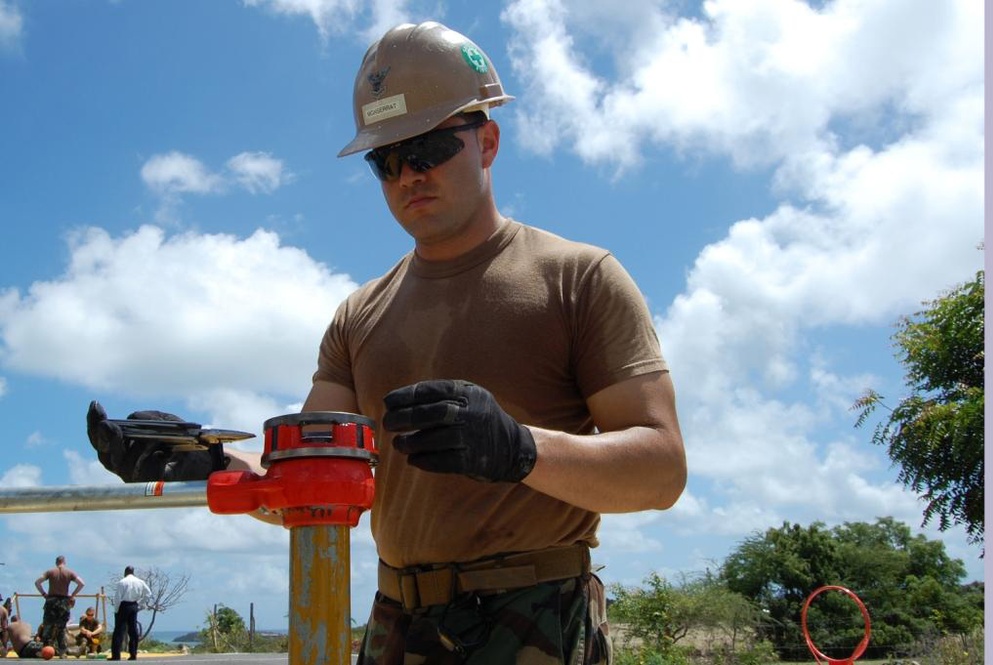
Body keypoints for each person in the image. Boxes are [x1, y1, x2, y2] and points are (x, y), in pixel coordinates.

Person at [86, 20, 687, 664]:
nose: (408, 176)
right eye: (387, 160)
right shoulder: (359, 315)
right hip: (396, 625)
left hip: (533, 617)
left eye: (428, 149)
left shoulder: (578, 277)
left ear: (487, 141)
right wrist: (203, 463)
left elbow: (660, 469)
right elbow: (312, 485)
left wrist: (520, 448)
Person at [34, 554, 84, 657]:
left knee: (48, 626)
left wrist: (44, 594)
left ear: (56, 562)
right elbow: (81, 583)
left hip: (51, 600)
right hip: (64, 602)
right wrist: (72, 595)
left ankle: (45, 649)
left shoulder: (50, 572)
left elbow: (37, 582)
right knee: (62, 628)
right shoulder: (69, 572)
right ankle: (62, 651)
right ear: (64, 562)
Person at [110, 566, 151, 661]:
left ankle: (116, 655)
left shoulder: (122, 582)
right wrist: (139, 603)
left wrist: (116, 610)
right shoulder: (140, 582)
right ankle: (133, 654)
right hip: (134, 606)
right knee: (133, 631)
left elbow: (117, 598)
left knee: (119, 631)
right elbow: (148, 593)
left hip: (123, 606)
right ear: (133, 572)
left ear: (125, 572)